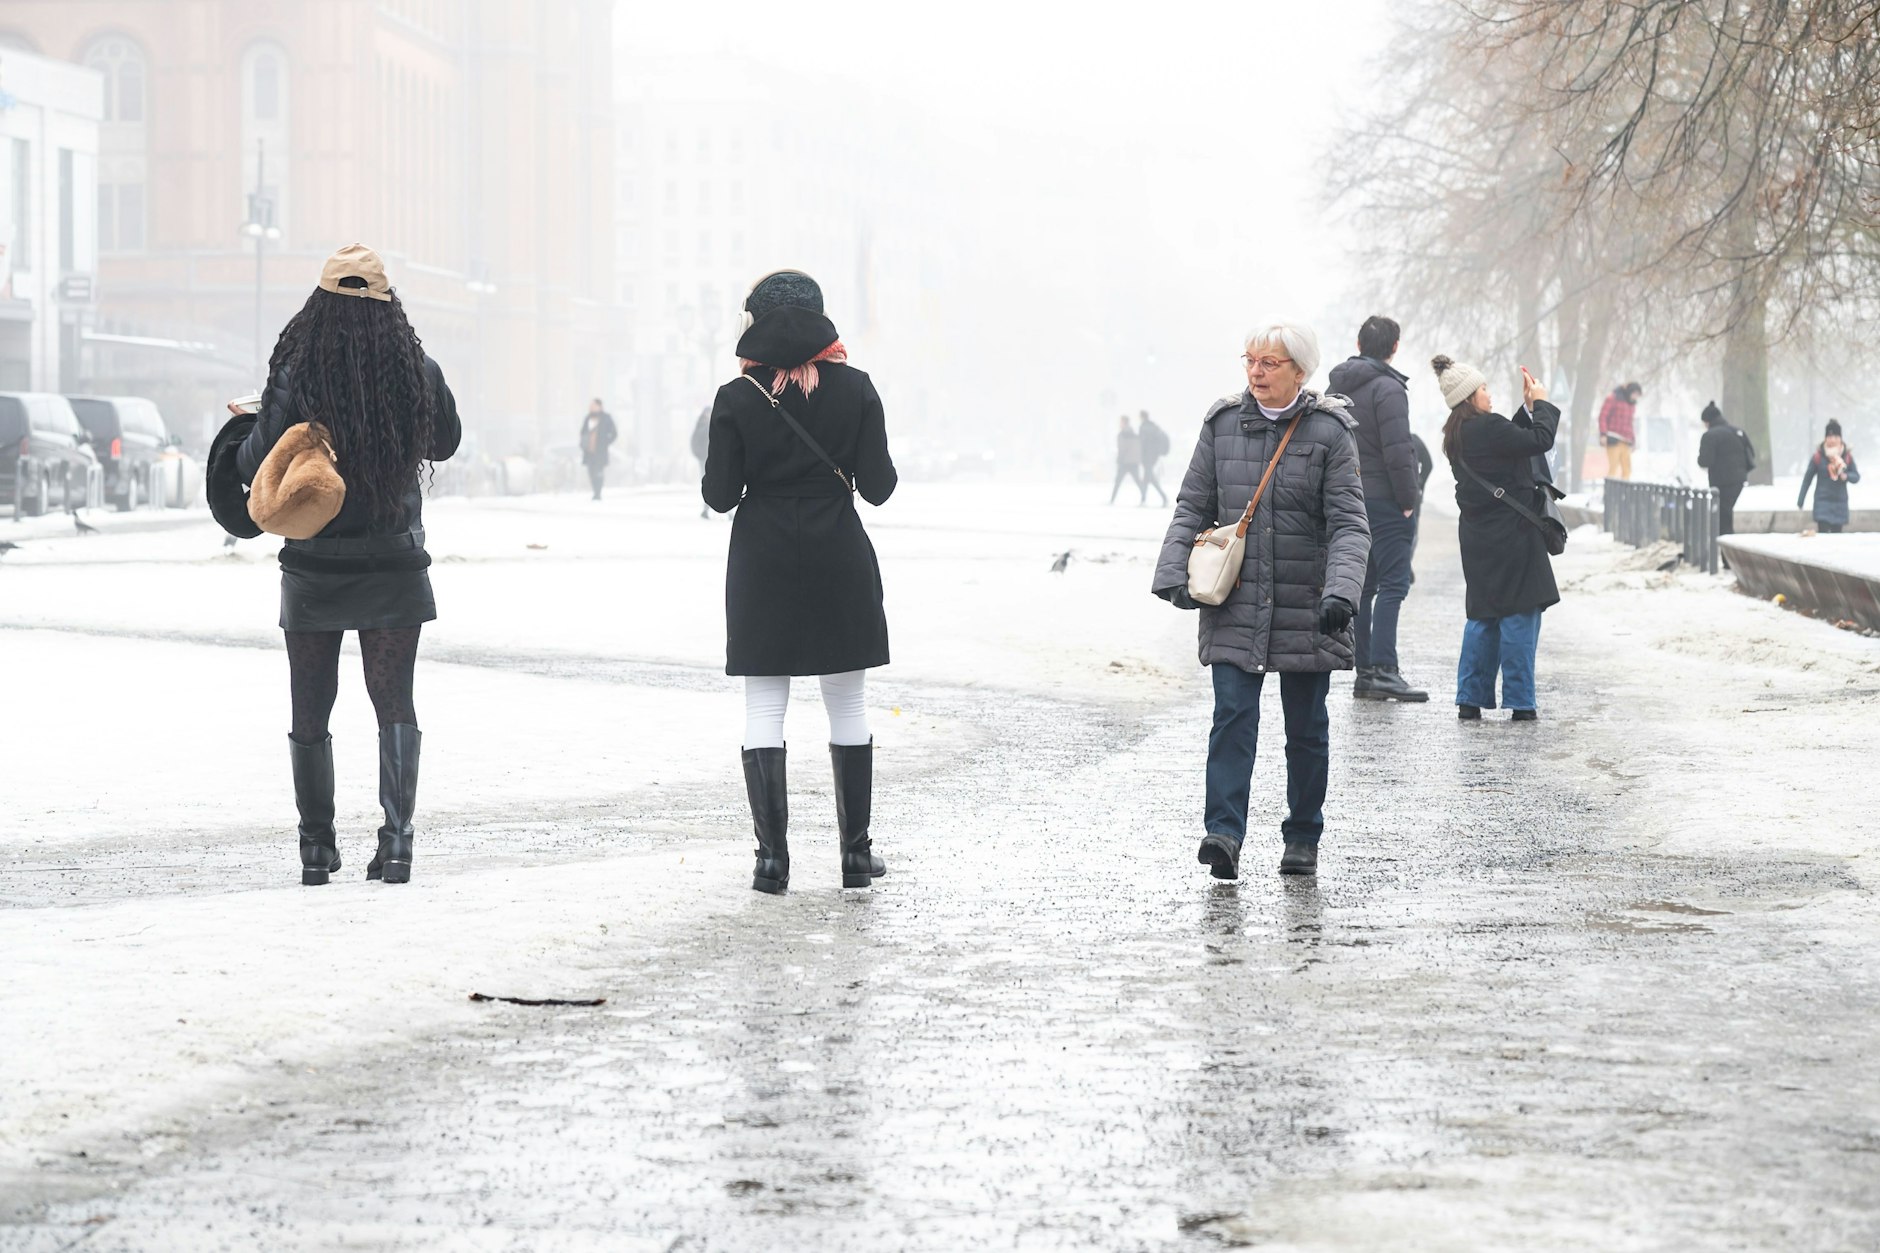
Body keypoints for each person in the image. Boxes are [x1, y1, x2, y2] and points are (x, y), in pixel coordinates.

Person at [234, 243, 462, 886]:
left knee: (311, 706)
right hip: (394, 561)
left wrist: (257, 421)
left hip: (315, 566)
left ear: (320, 303)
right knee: (394, 701)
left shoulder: (297, 371)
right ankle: (397, 843)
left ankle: (316, 848)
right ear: (388, 303)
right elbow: (445, 442)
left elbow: (255, 462)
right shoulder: (414, 367)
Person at [1152, 322, 1370, 880]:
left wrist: (1342, 591)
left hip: (1308, 602)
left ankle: (1302, 835)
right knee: (1232, 717)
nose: (1256, 371)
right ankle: (1223, 834)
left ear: (1300, 371)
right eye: (1250, 360)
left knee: (1306, 728)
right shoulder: (1223, 424)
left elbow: (1350, 524)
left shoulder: (1330, 433)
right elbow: (1192, 504)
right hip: (1235, 599)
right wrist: (1173, 570)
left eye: (1270, 363)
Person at [703, 269, 896, 894]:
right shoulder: (857, 388)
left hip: (762, 560)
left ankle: (772, 861)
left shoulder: (736, 398)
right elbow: (880, 488)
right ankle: (855, 856)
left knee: (764, 705)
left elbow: (720, 495)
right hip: (838, 553)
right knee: (847, 702)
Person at [1437, 355, 1558, 722]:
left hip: (1478, 538)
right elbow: (1539, 440)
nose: (1489, 395)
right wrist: (1541, 404)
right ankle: (1521, 702)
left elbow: (1509, 444)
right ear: (1469, 396)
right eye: (1484, 389)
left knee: (1483, 615)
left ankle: (1470, 698)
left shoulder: (1456, 433)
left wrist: (1526, 409)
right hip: (1514, 536)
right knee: (1519, 614)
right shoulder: (1488, 427)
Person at [1328, 315, 1426, 702]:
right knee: (1394, 584)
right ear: (1395, 347)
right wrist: (1408, 501)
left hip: (1349, 497)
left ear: (1358, 344)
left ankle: (1366, 673)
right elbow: (1398, 451)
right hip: (1385, 500)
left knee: (1365, 586)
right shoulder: (1389, 388)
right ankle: (1385, 670)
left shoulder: (1336, 388)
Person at [1696, 400, 1756, 535]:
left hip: (1721, 482)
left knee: (1722, 516)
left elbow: (1704, 461)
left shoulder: (1710, 436)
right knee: (1726, 513)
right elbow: (1750, 454)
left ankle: (1725, 542)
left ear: (1707, 421)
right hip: (1739, 480)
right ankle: (1726, 540)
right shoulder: (1738, 432)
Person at [1798, 419, 1861, 534]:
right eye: (1830, 436)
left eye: (1836, 436)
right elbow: (1807, 480)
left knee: (1837, 539)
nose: (1832, 440)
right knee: (1824, 539)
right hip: (1822, 504)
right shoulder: (1818, 457)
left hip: (1840, 505)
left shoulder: (1846, 456)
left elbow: (1856, 476)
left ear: (1840, 438)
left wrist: (1846, 476)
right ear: (1825, 438)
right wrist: (1801, 500)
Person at [1597, 381, 1642, 480]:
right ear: (1630, 391)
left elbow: (1630, 423)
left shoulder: (1631, 405)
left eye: (1637, 395)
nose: (1635, 397)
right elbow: (1603, 417)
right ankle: (1610, 488)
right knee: (1613, 467)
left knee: (1627, 469)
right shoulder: (1613, 398)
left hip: (1626, 441)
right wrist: (1603, 434)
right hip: (1613, 438)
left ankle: (1625, 488)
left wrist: (1633, 440)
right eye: (1635, 394)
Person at [579, 398, 617, 500]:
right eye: (590, 406)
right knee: (591, 472)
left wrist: (606, 442)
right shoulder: (588, 418)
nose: (591, 407)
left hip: (600, 451)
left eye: (593, 405)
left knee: (599, 472)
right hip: (589, 451)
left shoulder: (606, 418)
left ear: (599, 406)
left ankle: (598, 493)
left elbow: (614, 433)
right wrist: (583, 443)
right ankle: (595, 491)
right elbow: (583, 432)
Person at [1137, 409, 1170, 506]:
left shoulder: (1143, 427)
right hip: (1154, 456)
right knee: (1147, 478)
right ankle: (1143, 500)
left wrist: (1140, 456)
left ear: (1142, 417)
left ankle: (1163, 498)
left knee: (1150, 478)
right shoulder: (1154, 426)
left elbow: (1142, 443)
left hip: (1147, 456)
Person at [1110, 415, 1142, 504]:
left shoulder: (1122, 434)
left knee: (1117, 482)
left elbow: (1121, 449)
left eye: (1121, 422)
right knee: (1138, 482)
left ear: (1124, 422)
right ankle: (1144, 498)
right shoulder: (1134, 434)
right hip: (1133, 462)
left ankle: (1112, 500)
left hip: (1124, 462)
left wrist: (1119, 460)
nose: (1119, 424)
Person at [690, 405, 711, 518]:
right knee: (709, 483)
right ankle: (706, 509)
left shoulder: (701, 426)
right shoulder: (705, 426)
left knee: (710, 483)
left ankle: (706, 509)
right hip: (705, 458)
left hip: (706, 458)